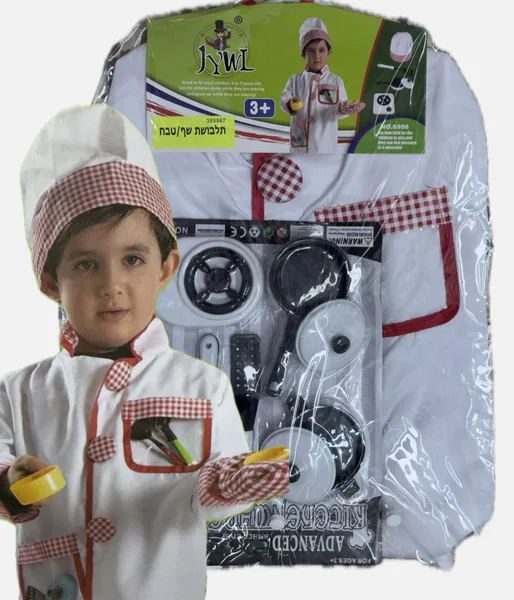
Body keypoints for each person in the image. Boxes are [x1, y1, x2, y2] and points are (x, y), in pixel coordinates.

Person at [0, 104, 289, 600]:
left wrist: (237, 483)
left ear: (166, 268)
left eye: (132, 259)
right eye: (86, 264)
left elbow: (211, 489)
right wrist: (9, 482)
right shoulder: (20, 392)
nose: (112, 285)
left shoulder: (203, 388)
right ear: (51, 282)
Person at [280, 17, 366, 153]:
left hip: (324, 145)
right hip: (300, 144)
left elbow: (339, 106)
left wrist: (343, 109)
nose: (317, 56)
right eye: (311, 51)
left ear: (329, 52)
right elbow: (284, 97)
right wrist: (289, 103)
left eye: (321, 50)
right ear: (303, 53)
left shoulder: (336, 81)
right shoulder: (295, 80)